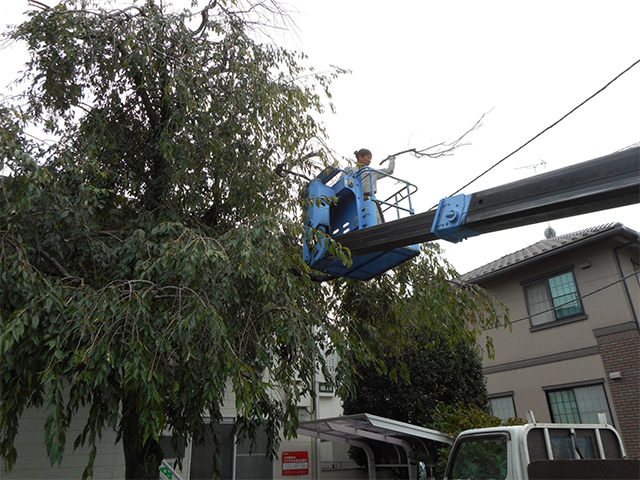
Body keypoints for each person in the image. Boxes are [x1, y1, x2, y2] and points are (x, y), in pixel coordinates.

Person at [347, 148, 396, 223]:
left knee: (376, 220)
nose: (370, 160)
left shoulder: (372, 172)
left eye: (371, 159)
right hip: (354, 200)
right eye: (368, 158)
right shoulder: (350, 170)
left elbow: (389, 170)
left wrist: (391, 159)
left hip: (369, 199)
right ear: (360, 157)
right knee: (357, 221)